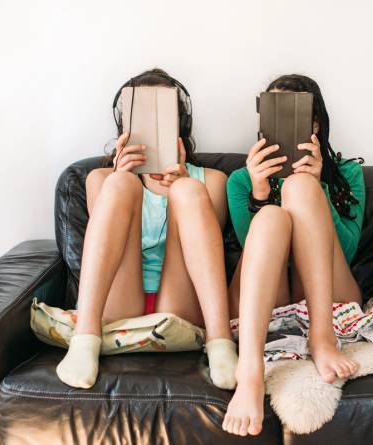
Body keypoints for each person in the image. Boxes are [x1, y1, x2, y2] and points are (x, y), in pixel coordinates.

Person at [55, 68, 238, 390]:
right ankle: (85, 339)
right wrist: (119, 178)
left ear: (180, 123)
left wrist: (178, 187)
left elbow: (204, 250)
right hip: (118, 305)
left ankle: (220, 343)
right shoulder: (99, 179)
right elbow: (106, 245)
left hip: (180, 305)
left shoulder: (212, 181)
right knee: (120, 184)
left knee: (189, 191)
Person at [222, 74, 366, 436]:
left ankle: (322, 337)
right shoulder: (240, 179)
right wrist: (259, 194)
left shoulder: (348, 173)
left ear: (314, 123)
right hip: (267, 299)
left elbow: (345, 251)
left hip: (325, 294)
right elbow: (249, 247)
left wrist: (318, 187)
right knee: (270, 215)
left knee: (300, 186)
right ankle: (250, 369)